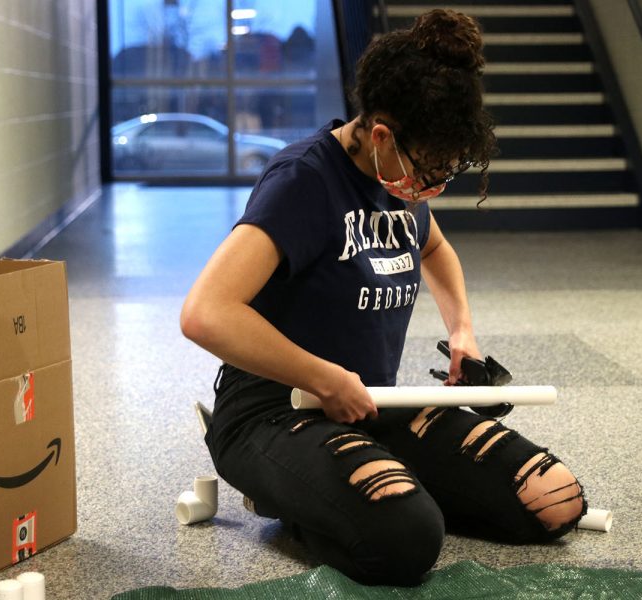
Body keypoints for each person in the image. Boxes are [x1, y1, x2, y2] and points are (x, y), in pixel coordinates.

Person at [180, 8, 586, 586]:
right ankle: (286, 501)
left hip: (367, 404)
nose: (433, 189)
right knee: (407, 540)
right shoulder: (304, 182)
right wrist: (321, 377)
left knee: (555, 500)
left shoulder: (398, 177)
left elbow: (436, 249)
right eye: (430, 172)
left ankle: (363, 487)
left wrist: (463, 333)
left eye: (448, 173)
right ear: (380, 135)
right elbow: (204, 314)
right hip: (273, 413)